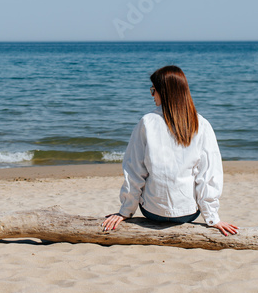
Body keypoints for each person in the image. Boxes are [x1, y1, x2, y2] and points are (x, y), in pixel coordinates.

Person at [102, 65, 238, 236]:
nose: (152, 95)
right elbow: (209, 175)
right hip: (187, 213)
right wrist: (212, 217)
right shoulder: (200, 124)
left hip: (152, 211)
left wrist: (125, 211)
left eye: (153, 90)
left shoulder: (147, 122)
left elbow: (134, 171)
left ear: (165, 92)